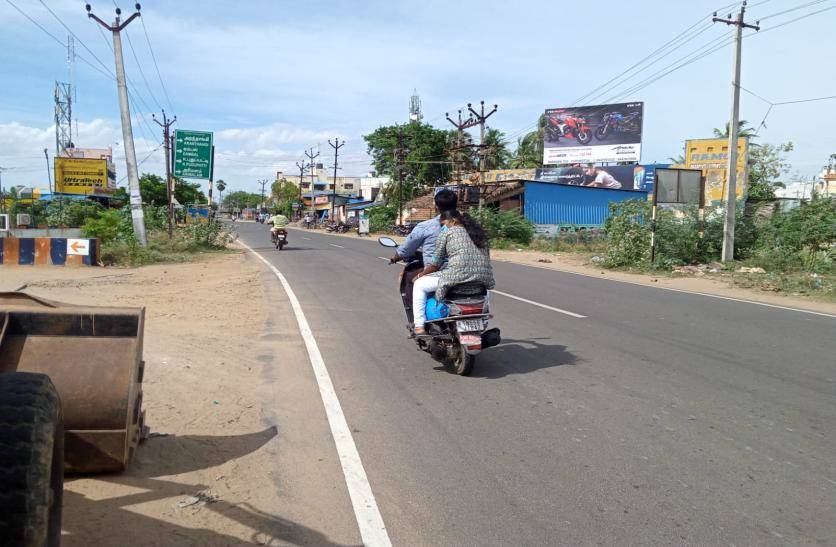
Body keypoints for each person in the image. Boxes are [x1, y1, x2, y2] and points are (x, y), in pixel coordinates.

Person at [411, 210, 495, 335]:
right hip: (483, 280)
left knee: (419, 285)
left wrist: (419, 275)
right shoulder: (479, 235)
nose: (443, 227)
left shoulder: (447, 234)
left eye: (443, 224)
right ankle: (483, 319)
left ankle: (419, 326)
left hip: (456, 278)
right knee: (485, 291)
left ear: (453, 221)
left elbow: (435, 265)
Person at [389, 188, 457, 266]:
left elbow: (407, 248)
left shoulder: (428, 227)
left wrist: (396, 257)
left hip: (437, 272)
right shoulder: (467, 224)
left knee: (413, 277)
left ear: (436, 208)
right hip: (467, 272)